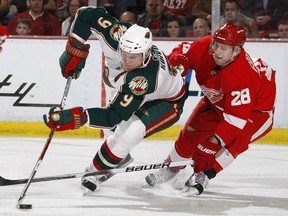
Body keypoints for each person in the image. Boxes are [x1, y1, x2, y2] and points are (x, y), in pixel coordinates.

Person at [43, 7, 188, 194]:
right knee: (117, 131)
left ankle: (95, 171)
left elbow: (114, 116)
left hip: (168, 102)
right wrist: (75, 48)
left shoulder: (143, 79)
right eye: (124, 53)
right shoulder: (117, 35)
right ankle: (116, 159)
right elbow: (86, 14)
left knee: (130, 132)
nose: (126, 60)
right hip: (140, 92)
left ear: (145, 55)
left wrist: (75, 117)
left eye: (133, 57)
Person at [145, 22, 276, 196]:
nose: (217, 51)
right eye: (216, 45)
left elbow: (235, 121)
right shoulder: (205, 47)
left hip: (255, 113)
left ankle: (203, 175)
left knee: (232, 144)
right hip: (216, 103)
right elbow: (182, 50)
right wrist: (179, 60)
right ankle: (172, 167)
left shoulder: (242, 76)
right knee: (190, 134)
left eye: (224, 48)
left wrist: (211, 145)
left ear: (236, 50)